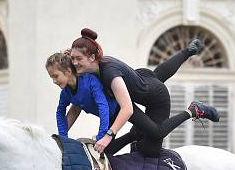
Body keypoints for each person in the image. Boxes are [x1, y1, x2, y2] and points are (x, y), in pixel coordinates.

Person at [67, 28, 219, 156]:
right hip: (142, 80)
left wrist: (108, 135)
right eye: (72, 58)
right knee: (152, 79)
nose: (74, 63)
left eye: (78, 58)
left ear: (92, 57)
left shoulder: (109, 72)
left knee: (153, 142)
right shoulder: (93, 68)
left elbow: (127, 109)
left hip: (156, 97)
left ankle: (193, 110)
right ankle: (188, 51)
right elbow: (76, 104)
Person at [47, 51, 118, 142]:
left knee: (142, 126)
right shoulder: (65, 92)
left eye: (56, 76)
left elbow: (103, 107)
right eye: (51, 77)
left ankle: (131, 136)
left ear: (68, 71)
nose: (54, 81)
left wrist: (100, 135)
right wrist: (63, 137)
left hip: (119, 110)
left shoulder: (90, 81)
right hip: (109, 119)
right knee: (106, 151)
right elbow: (60, 112)